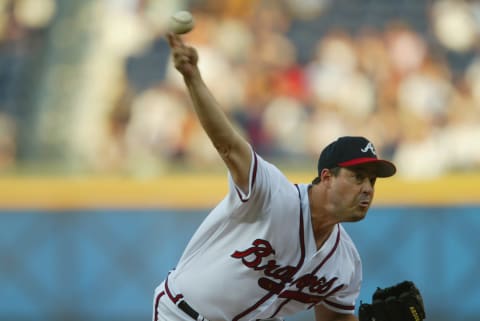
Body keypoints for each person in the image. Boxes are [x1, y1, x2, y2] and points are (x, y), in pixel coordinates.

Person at [152, 33, 397, 321]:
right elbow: (228, 144)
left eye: (372, 181)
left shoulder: (345, 263)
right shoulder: (272, 194)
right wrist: (193, 79)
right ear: (327, 177)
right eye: (358, 177)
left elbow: (335, 318)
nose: (367, 189)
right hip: (183, 315)